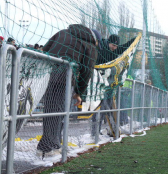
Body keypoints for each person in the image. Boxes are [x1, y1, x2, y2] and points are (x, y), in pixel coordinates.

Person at [38, 24, 136, 154]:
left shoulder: (62, 32)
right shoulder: (89, 45)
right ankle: (48, 147)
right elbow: (86, 71)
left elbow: (45, 49)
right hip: (63, 79)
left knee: (51, 109)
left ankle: (50, 144)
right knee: (58, 111)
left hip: (46, 75)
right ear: (95, 39)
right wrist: (79, 93)